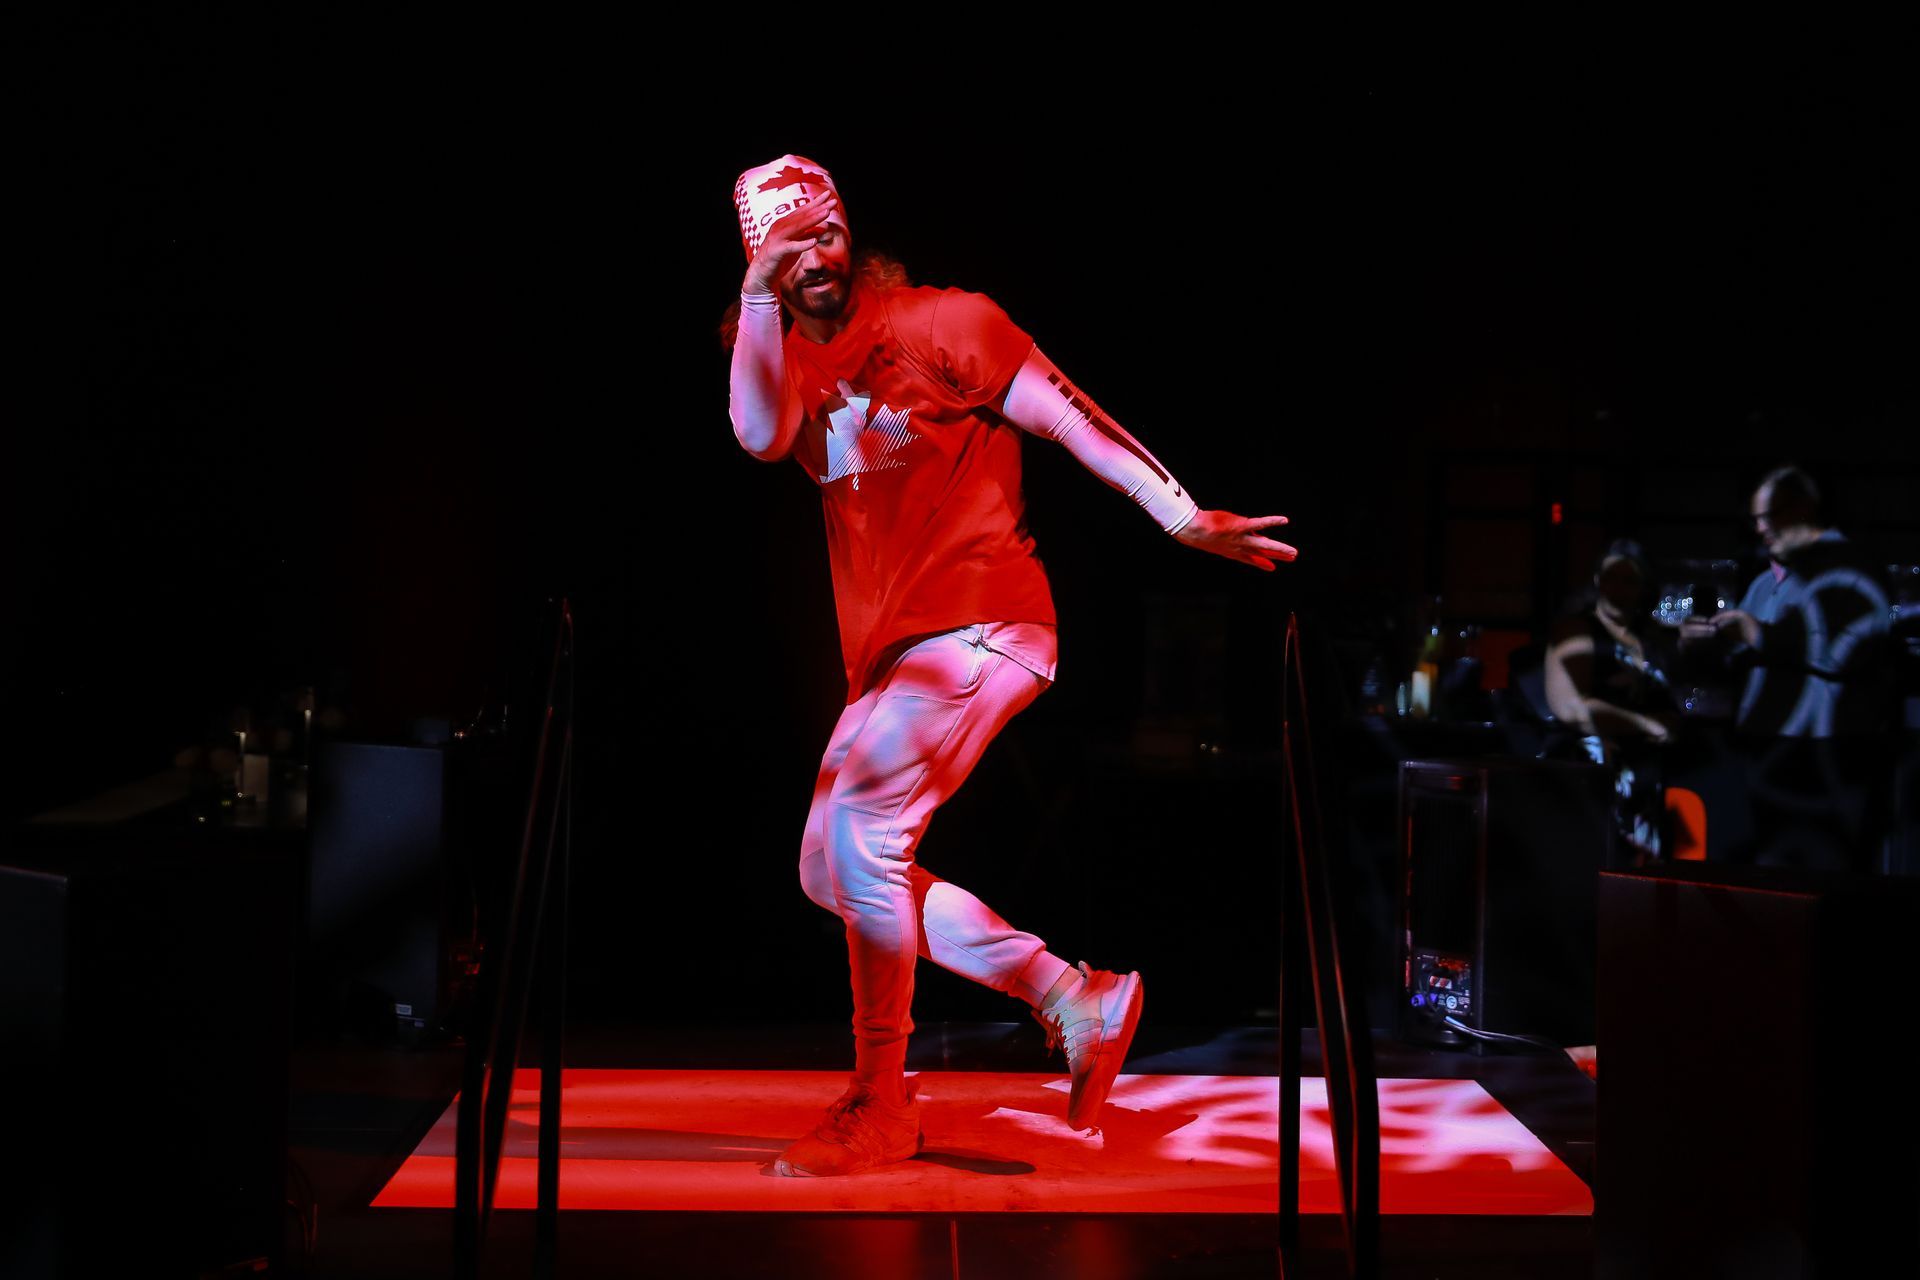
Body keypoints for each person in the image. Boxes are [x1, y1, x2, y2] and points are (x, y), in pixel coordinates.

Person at [725, 155, 1296, 1176]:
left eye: (828, 232)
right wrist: (757, 296)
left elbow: (1072, 415)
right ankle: (1070, 996)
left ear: (851, 231)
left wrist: (1180, 516)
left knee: (862, 835)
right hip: (896, 651)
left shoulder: (944, 322)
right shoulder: (781, 363)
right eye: (788, 246)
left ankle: (881, 1101)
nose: (816, 257)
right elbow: (761, 436)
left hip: (982, 620)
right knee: (829, 866)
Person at [1681, 466, 1896, 871]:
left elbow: (1844, 654)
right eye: (1755, 519)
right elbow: (1744, 665)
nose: (1760, 528)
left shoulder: (1852, 568)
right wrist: (1704, 645)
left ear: (1802, 509)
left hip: (1826, 757)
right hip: (1770, 758)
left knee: (1822, 880)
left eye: (1769, 516)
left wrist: (1757, 633)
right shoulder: (1766, 583)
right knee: (1775, 878)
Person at [1543, 539, 1680, 860]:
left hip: (1645, 783)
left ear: (1644, 586)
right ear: (1597, 581)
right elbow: (1571, 708)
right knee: (1593, 865)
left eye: (1629, 580)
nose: (1618, 588)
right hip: (1592, 778)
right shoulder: (1576, 630)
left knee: (1639, 874)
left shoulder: (1649, 638)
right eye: (1610, 577)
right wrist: (1646, 724)